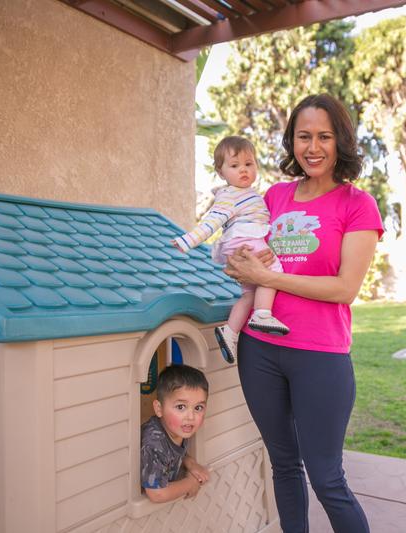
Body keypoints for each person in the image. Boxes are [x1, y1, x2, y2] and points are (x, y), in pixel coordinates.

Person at [224, 94, 382, 533]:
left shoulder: (357, 205)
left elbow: (345, 289)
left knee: (328, 478)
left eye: (324, 137)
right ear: (291, 141)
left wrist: (270, 279)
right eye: (304, 136)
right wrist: (235, 261)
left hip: (320, 355)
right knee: (283, 465)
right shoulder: (273, 196)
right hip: (261, 350)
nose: (313, 147)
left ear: (341, 142)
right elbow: (245, 251)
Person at [173, 136, 289, 364]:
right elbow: (211, 222)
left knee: (249, 293)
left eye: (249, 164)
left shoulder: (245, 194)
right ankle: (263, 314)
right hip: (245, 239)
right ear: (221, 172)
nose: (243, 170)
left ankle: (230, 332)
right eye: (235, 166)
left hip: (239, 243)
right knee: (272, 271)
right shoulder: (231, 196)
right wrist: (188, 240)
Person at [140, 364, 210, 503]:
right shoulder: (154, 442)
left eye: (198, 407)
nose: (191, 416)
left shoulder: (178, 428)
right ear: (159, 409)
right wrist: (190, 482)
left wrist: (190, 463)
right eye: (180, 407)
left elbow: (174, 454)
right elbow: (157, 494)